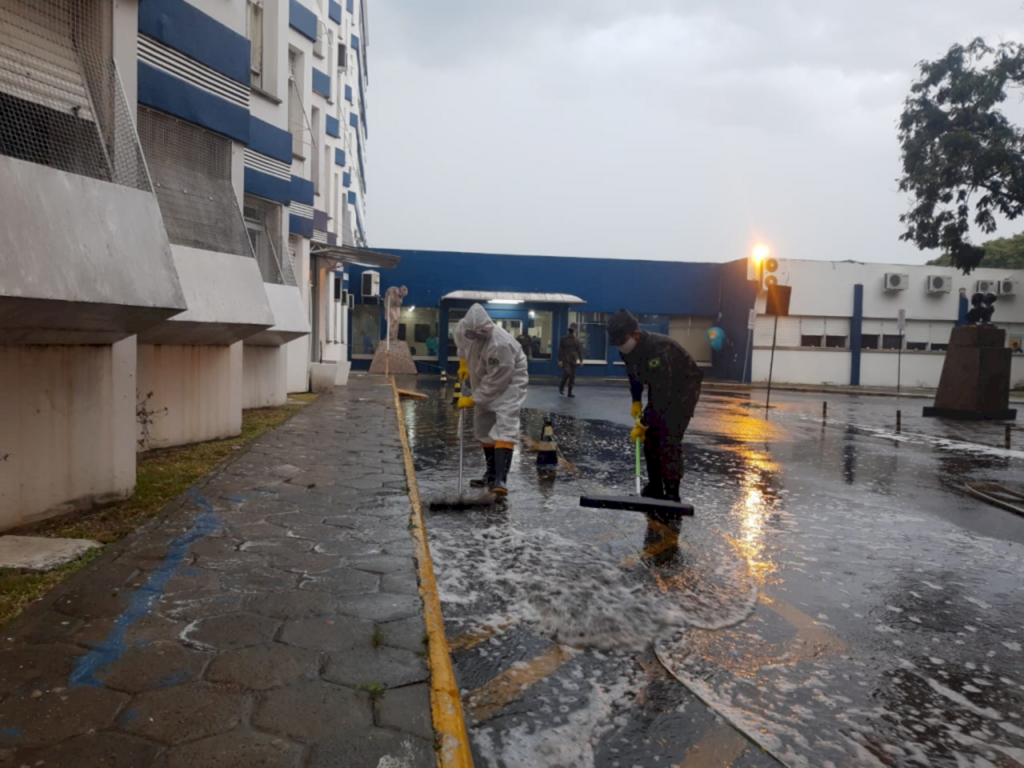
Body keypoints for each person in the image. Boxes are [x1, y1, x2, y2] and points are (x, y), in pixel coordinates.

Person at [607, 309, 703, 503]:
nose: (620, 346)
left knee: (668, 438)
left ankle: (672, 491)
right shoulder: (628, 350)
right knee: (651, 438)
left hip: (683, 389)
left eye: (622, 340)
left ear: (635, 333)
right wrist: (636, 400)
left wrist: (643, 421)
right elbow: (633, 375)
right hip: (660, 385)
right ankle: (655, 486)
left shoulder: (659, 349)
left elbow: (661, 396)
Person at [454, 303, 529, 497]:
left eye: (480, 335)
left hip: (510, 379)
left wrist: (473, 399)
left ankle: (500, 480)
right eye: (472, 335)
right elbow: (461, 345)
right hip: (483, 374)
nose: (476, 339)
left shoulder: (499, 343)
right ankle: (490, 474)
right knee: (484, 424)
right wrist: (463, 362)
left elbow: (497, 380)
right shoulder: (463, 329)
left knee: (505, 424)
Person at [557, 327, 584, 397]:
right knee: (567, 373)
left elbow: (579, 351)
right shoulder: (564, 339)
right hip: (566, 359)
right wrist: (560, 360)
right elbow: (560, 350)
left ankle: (569, 392)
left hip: (573, 359)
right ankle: (561, 386)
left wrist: (581, 360)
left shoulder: (576, 340)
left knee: (572, 376)